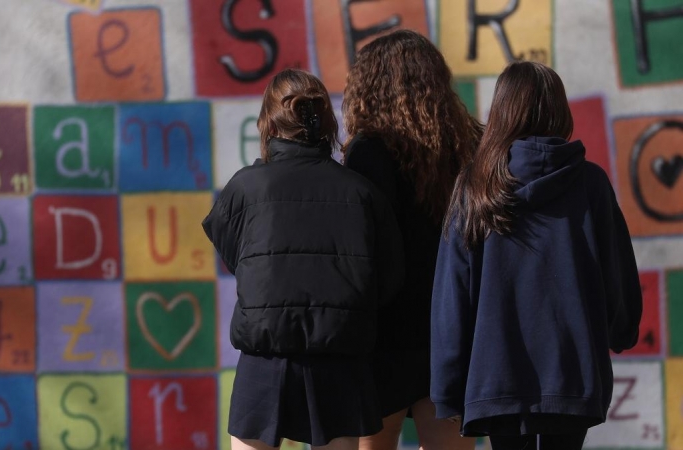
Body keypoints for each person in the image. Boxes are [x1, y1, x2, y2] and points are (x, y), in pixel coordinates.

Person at [431, 61, 643, 450]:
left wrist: (447, 386)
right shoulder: (590, 183)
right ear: (559, 111)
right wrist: (621, 330)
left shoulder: (476, 186)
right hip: (572, 372)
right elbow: (616, 276)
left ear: (502, 111)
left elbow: (453, 295)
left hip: (495, 375)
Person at [203, 68, 405, 450]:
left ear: (269, 121)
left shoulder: (245, 187)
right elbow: (390, 275)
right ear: (325, 121)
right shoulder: (361, 192)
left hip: (263, 356)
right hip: (340, 360)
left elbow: (236, 254)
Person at [342, 29, 482, 450]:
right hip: (455, 329)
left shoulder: (368, 152)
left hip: (387, 335)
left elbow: (365, 249)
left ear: (371, 87)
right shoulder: (470, 145)